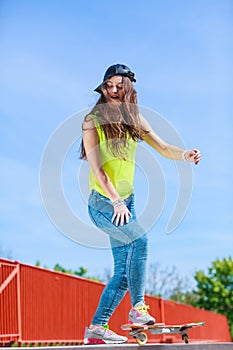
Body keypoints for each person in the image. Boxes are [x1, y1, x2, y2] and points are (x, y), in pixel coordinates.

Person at [81, 64, 201, 345]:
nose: (113, 91)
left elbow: (162, 147)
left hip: (127, 203)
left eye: (118, 86)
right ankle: (138, 309)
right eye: (108, 85)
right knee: (141, 242)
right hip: (103, 203)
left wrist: (185, 154)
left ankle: (96, 328)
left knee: (124, 272)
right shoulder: (92, 120)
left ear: (128, 89)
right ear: (102, 88)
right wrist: (116, 201)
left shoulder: (135, 120)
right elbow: (98, 169)